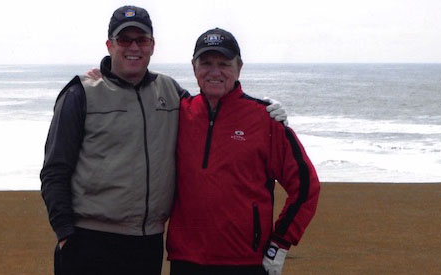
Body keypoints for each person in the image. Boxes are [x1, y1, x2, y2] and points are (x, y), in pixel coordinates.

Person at [40, 6, 287, 275]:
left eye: (141, 40)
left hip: (148, 244)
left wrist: (266, 110)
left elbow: (210, 107)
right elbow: (54, 170)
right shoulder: (81, 93)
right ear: (110, 45)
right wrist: (65, 235)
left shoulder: (168, 91)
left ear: (152, 46)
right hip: (89, 240)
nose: (133, 47)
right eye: (124, 40)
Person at [166, 28, 321, 275]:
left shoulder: (265, 119)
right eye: (206, 63)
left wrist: (279, 244)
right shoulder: (179, 114)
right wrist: (102, 75)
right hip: (186, 261)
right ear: (194, 67)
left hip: (245, 263)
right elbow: (137, 91)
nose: (214, 72)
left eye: (224, 64)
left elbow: (306, 187)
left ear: (239, 67)